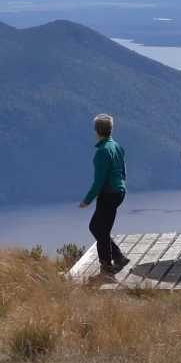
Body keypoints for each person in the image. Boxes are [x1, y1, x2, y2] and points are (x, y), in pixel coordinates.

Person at [79, 113, 128, 274]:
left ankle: (107, 267)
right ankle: (118, 257)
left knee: (98, 228)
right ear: (110, 130)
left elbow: (99, 181)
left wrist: (87, 200)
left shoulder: (102, 152)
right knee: (99, 228)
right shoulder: (117, 146)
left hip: (108, 194)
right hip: (119, 191)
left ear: (96, 131)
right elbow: (123, 171)